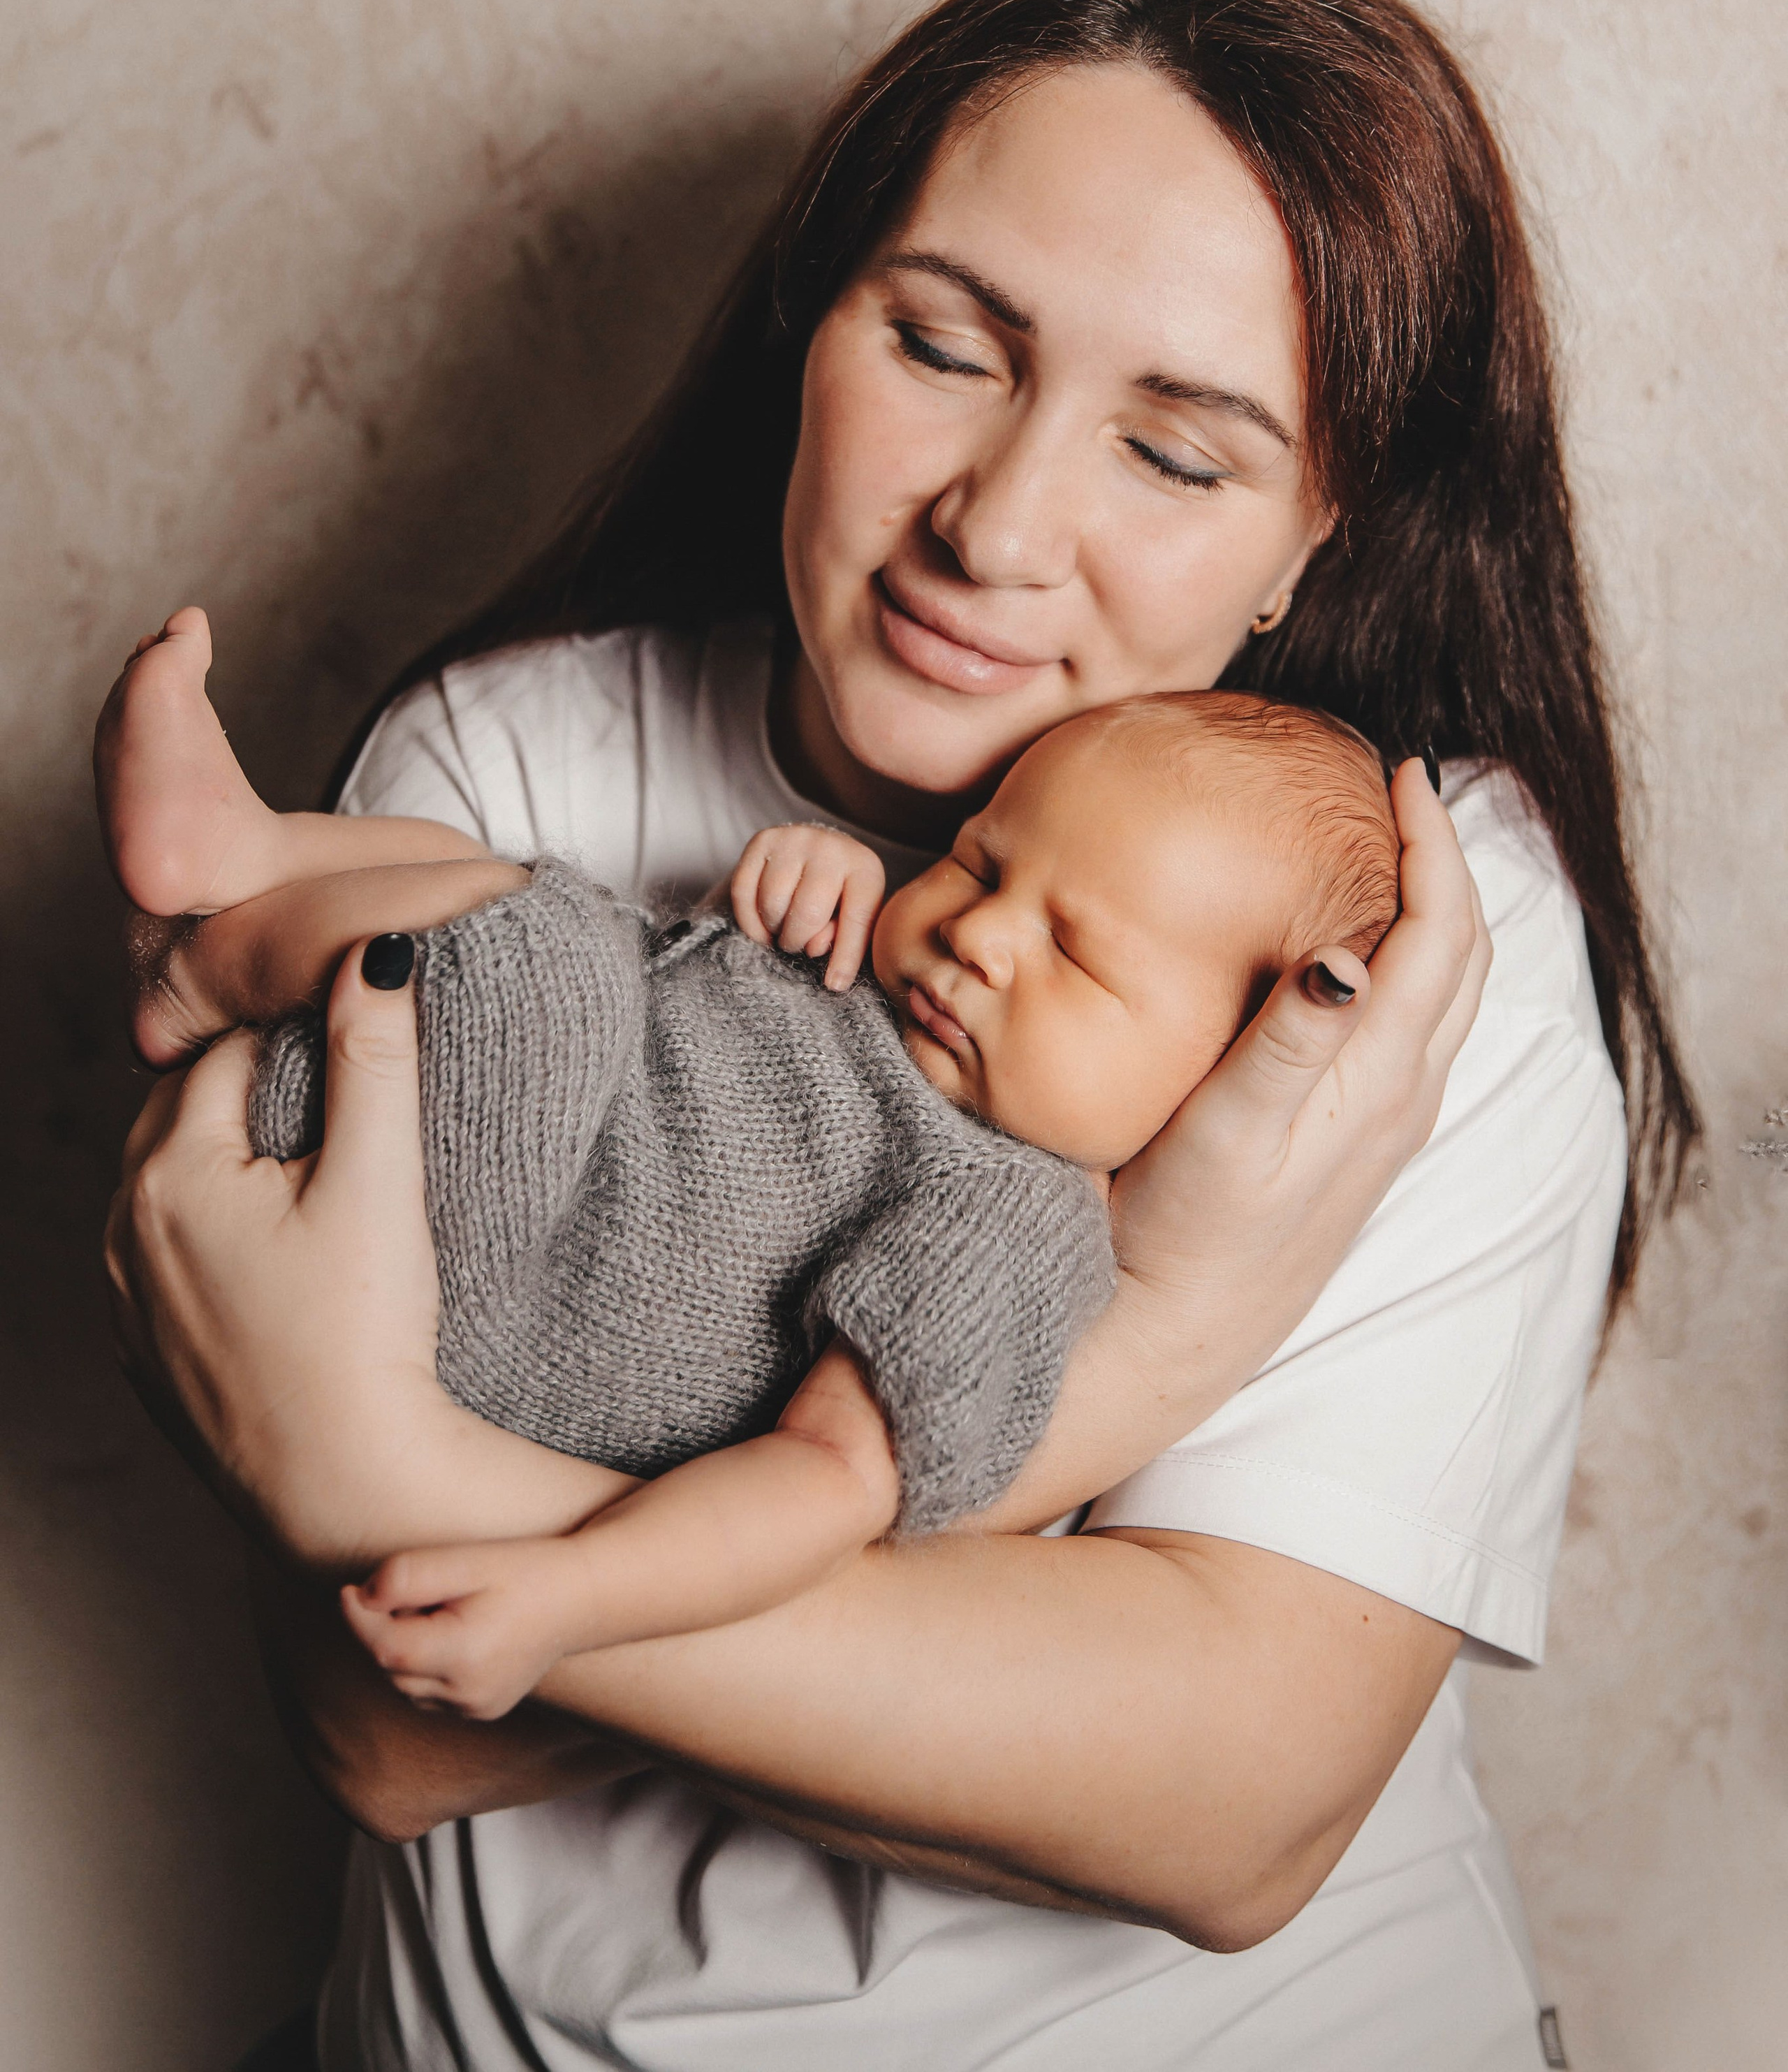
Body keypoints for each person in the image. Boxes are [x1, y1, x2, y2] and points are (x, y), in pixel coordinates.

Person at [107, 0, 1697, 2071]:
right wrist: (1164, 1349)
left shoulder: (1393, 924)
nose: (1000, 525)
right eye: (945, 345)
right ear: (813, 328)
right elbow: (384, 1737)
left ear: (1316, 542)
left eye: (1181, 454)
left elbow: (1227, 1803)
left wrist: (380, 1454)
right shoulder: (512, 773)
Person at [98, 620, 1400, 1719]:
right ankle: (236, 877)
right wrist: (777, 899)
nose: (979, 934)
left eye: (1076, 953)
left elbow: (826, 1484)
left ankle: (214, 949)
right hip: (388, 1170)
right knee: (529, 903)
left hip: (498, 1316)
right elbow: (683, 1031)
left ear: (1228, 1067)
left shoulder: (1010, 1218)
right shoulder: (887, 989)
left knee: (540, 930)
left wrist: (573, 1595)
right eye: (981, 862)